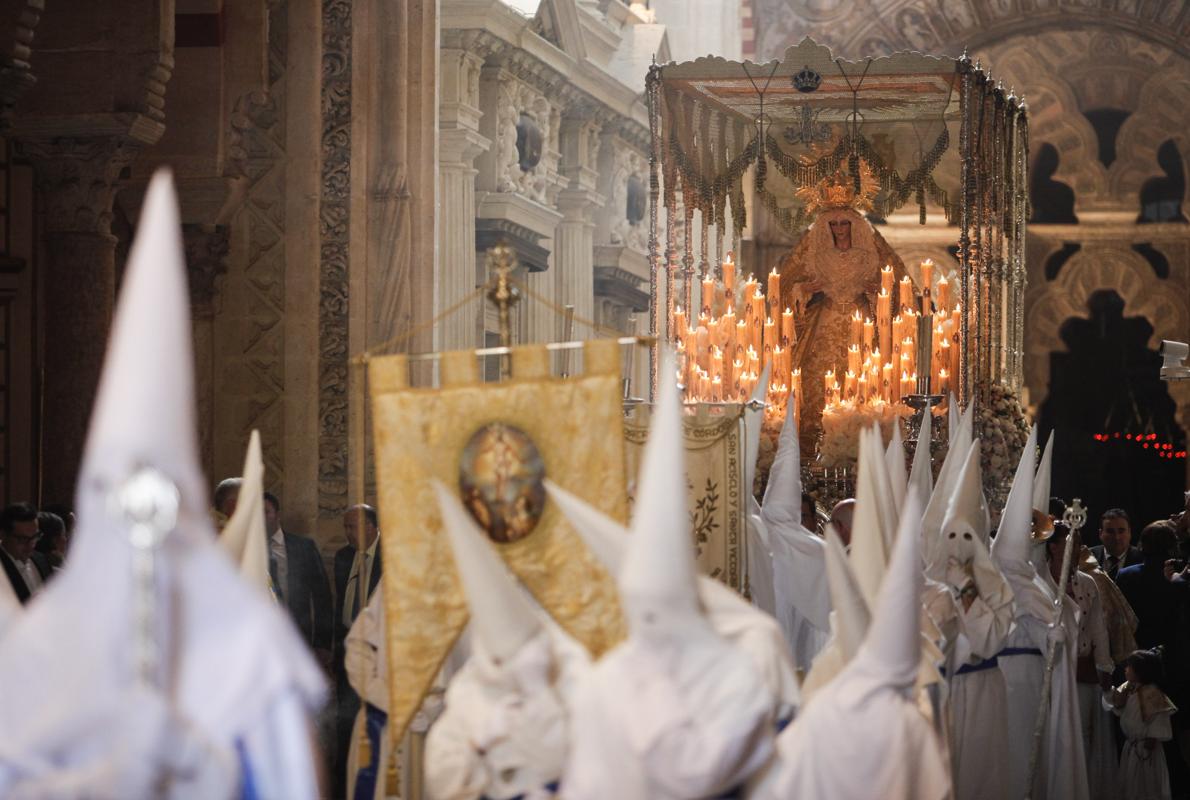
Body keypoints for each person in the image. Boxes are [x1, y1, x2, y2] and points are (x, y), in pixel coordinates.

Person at [991, 426, 1089, 800]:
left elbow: (1061, 628)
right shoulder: (999, 581)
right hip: (1001, 681)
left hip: (1028, 680)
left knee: (1026, 760)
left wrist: (1057, 632)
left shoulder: (1035, 584)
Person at [1049, 523, 1118, 797]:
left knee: (1085, 735)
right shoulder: (1041, 581)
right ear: (1053, 546)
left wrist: (1104, 666)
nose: (1078, 548)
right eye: (1070, 542)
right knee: (1059, 736)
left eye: (1078, 542)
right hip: (1055, 671)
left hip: (1085, 671)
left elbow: (1098, 627)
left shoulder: (1086, 583)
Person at [334, 503, 383, 798]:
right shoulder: (343, 557)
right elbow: (340, 600)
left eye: (352, 527)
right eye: (346, 527)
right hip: (346, 649)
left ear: (371, 526)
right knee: (344, 722)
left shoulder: (390, 557)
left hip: (377, 654)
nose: (347, 533)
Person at [262, 492, 333, 662]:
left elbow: (322, 597)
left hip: (300, 635)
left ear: (277, 515)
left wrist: (322, 644)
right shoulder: (251, 550)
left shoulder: (304, 547)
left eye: (266, 512)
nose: (261, 518)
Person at [1109, 648, 1178, 800]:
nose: (1126, 669)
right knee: (1131, 784)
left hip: (1146, 750)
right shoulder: (1128, 687)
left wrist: (1152, 737)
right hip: (1132, 746)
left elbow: (1159, 716)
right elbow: (1117, 704)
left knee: (1147, 784)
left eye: (1130, 667)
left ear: (1141, 671)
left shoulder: (1152, 693)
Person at [0, 503, 51, 603]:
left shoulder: (41, 559)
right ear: (2, 535)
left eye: (35, 537)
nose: (31, 545)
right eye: (22, 539)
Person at [1092, 509, 1143, 580]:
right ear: (1100, 534)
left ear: (1129, 532)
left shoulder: (1142, 559)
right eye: (1110, 531)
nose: (1117, 537)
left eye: (1121, 531)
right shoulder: (1088, 557)